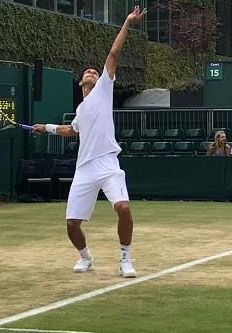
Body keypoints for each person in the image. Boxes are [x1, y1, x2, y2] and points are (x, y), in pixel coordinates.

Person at [33, 5, 147, 278]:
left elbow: (113, 53)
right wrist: (45, 127)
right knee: (72, 224)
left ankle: (125, 258)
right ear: (80, 82)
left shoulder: (104, 90)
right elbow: (70, 130)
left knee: (123, 207)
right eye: (87, 72)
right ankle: (85, 257)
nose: (92, 72)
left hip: (108, 162)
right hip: (84, 169)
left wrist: (128, 23)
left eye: (95, 72)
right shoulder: (81, 112)